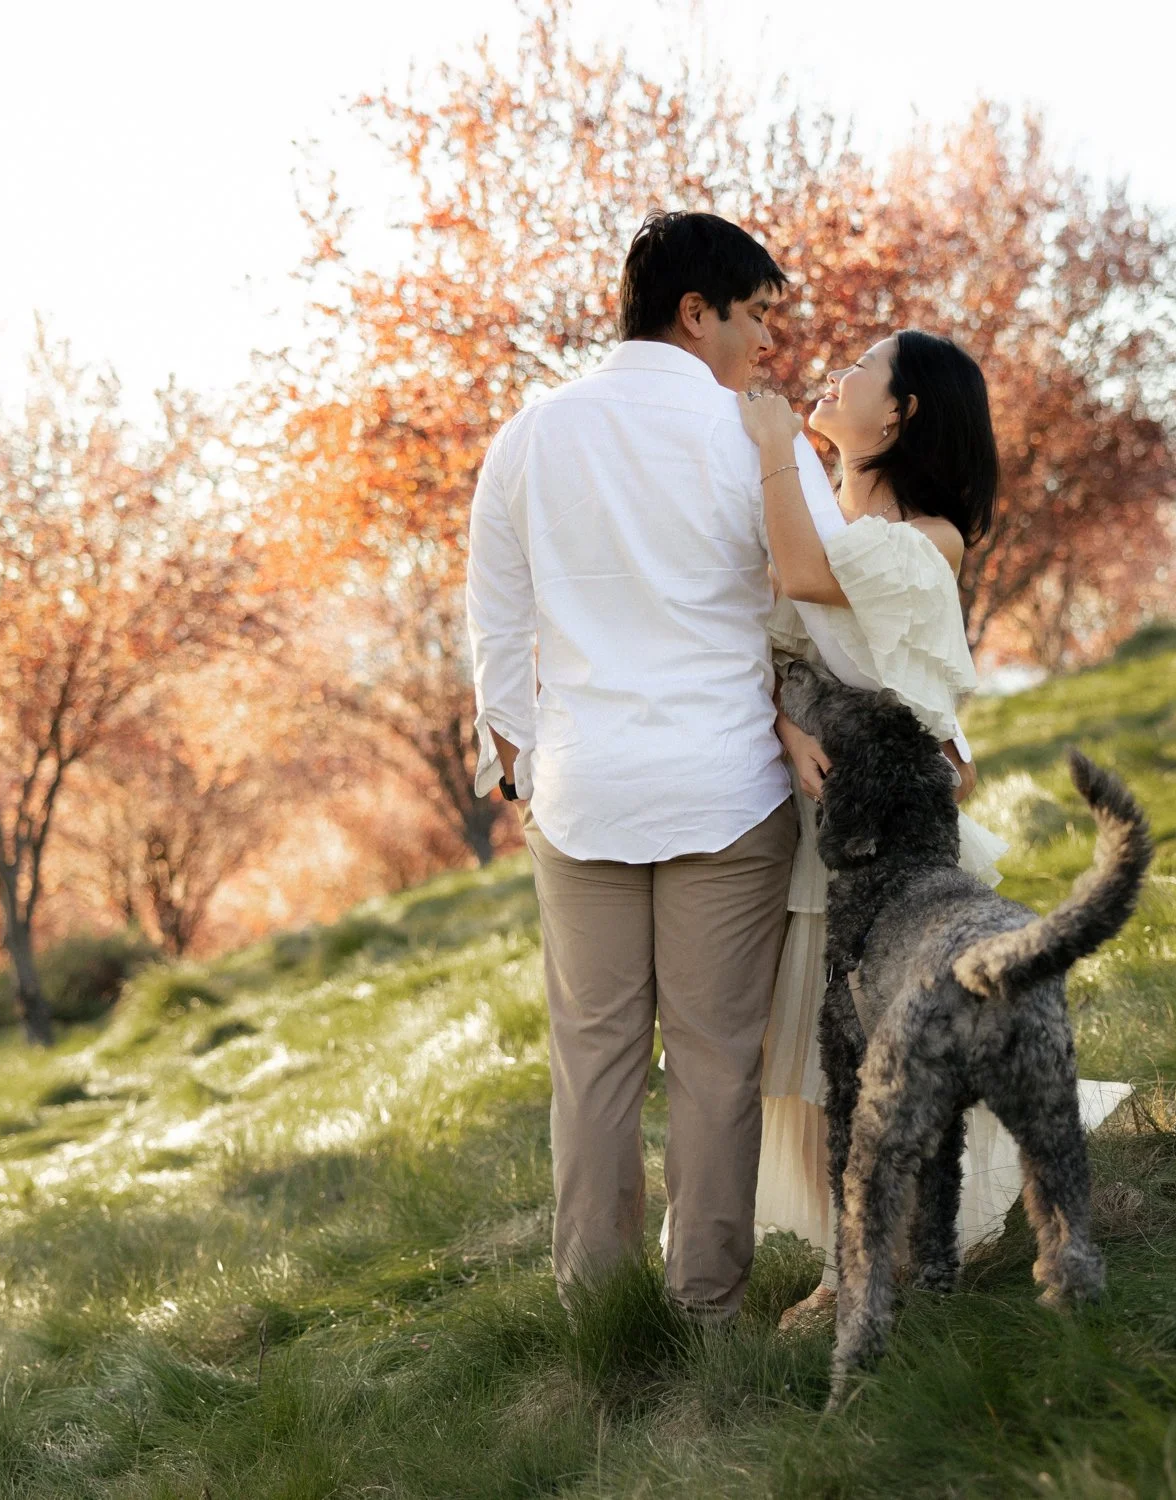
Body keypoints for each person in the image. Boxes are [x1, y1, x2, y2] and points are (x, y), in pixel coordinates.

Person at [736, 331, 1131, 1331]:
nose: (838, 370)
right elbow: (780, 648)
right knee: (824, 1066)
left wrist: (775, 437)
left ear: (901, 413)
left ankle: (869, 1271)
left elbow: (803, 570)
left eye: (865, 366)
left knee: (881, 1052)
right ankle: (861, 1257)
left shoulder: (928, 538)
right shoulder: (823, 511)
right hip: (813, 820)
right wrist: (784, 730)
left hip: (890, 849)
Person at [465, 211, 802, 1325]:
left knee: (595, 1064)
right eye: (754, 315)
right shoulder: (749, 436)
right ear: (694, 311)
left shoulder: (527, 437)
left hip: (584, 789)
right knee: (714, 1063)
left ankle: (599, 1315)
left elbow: (495, 626)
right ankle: (706, 1311)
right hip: (726, 788)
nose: (764, 344)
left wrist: (515, 768)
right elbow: (807, 598)